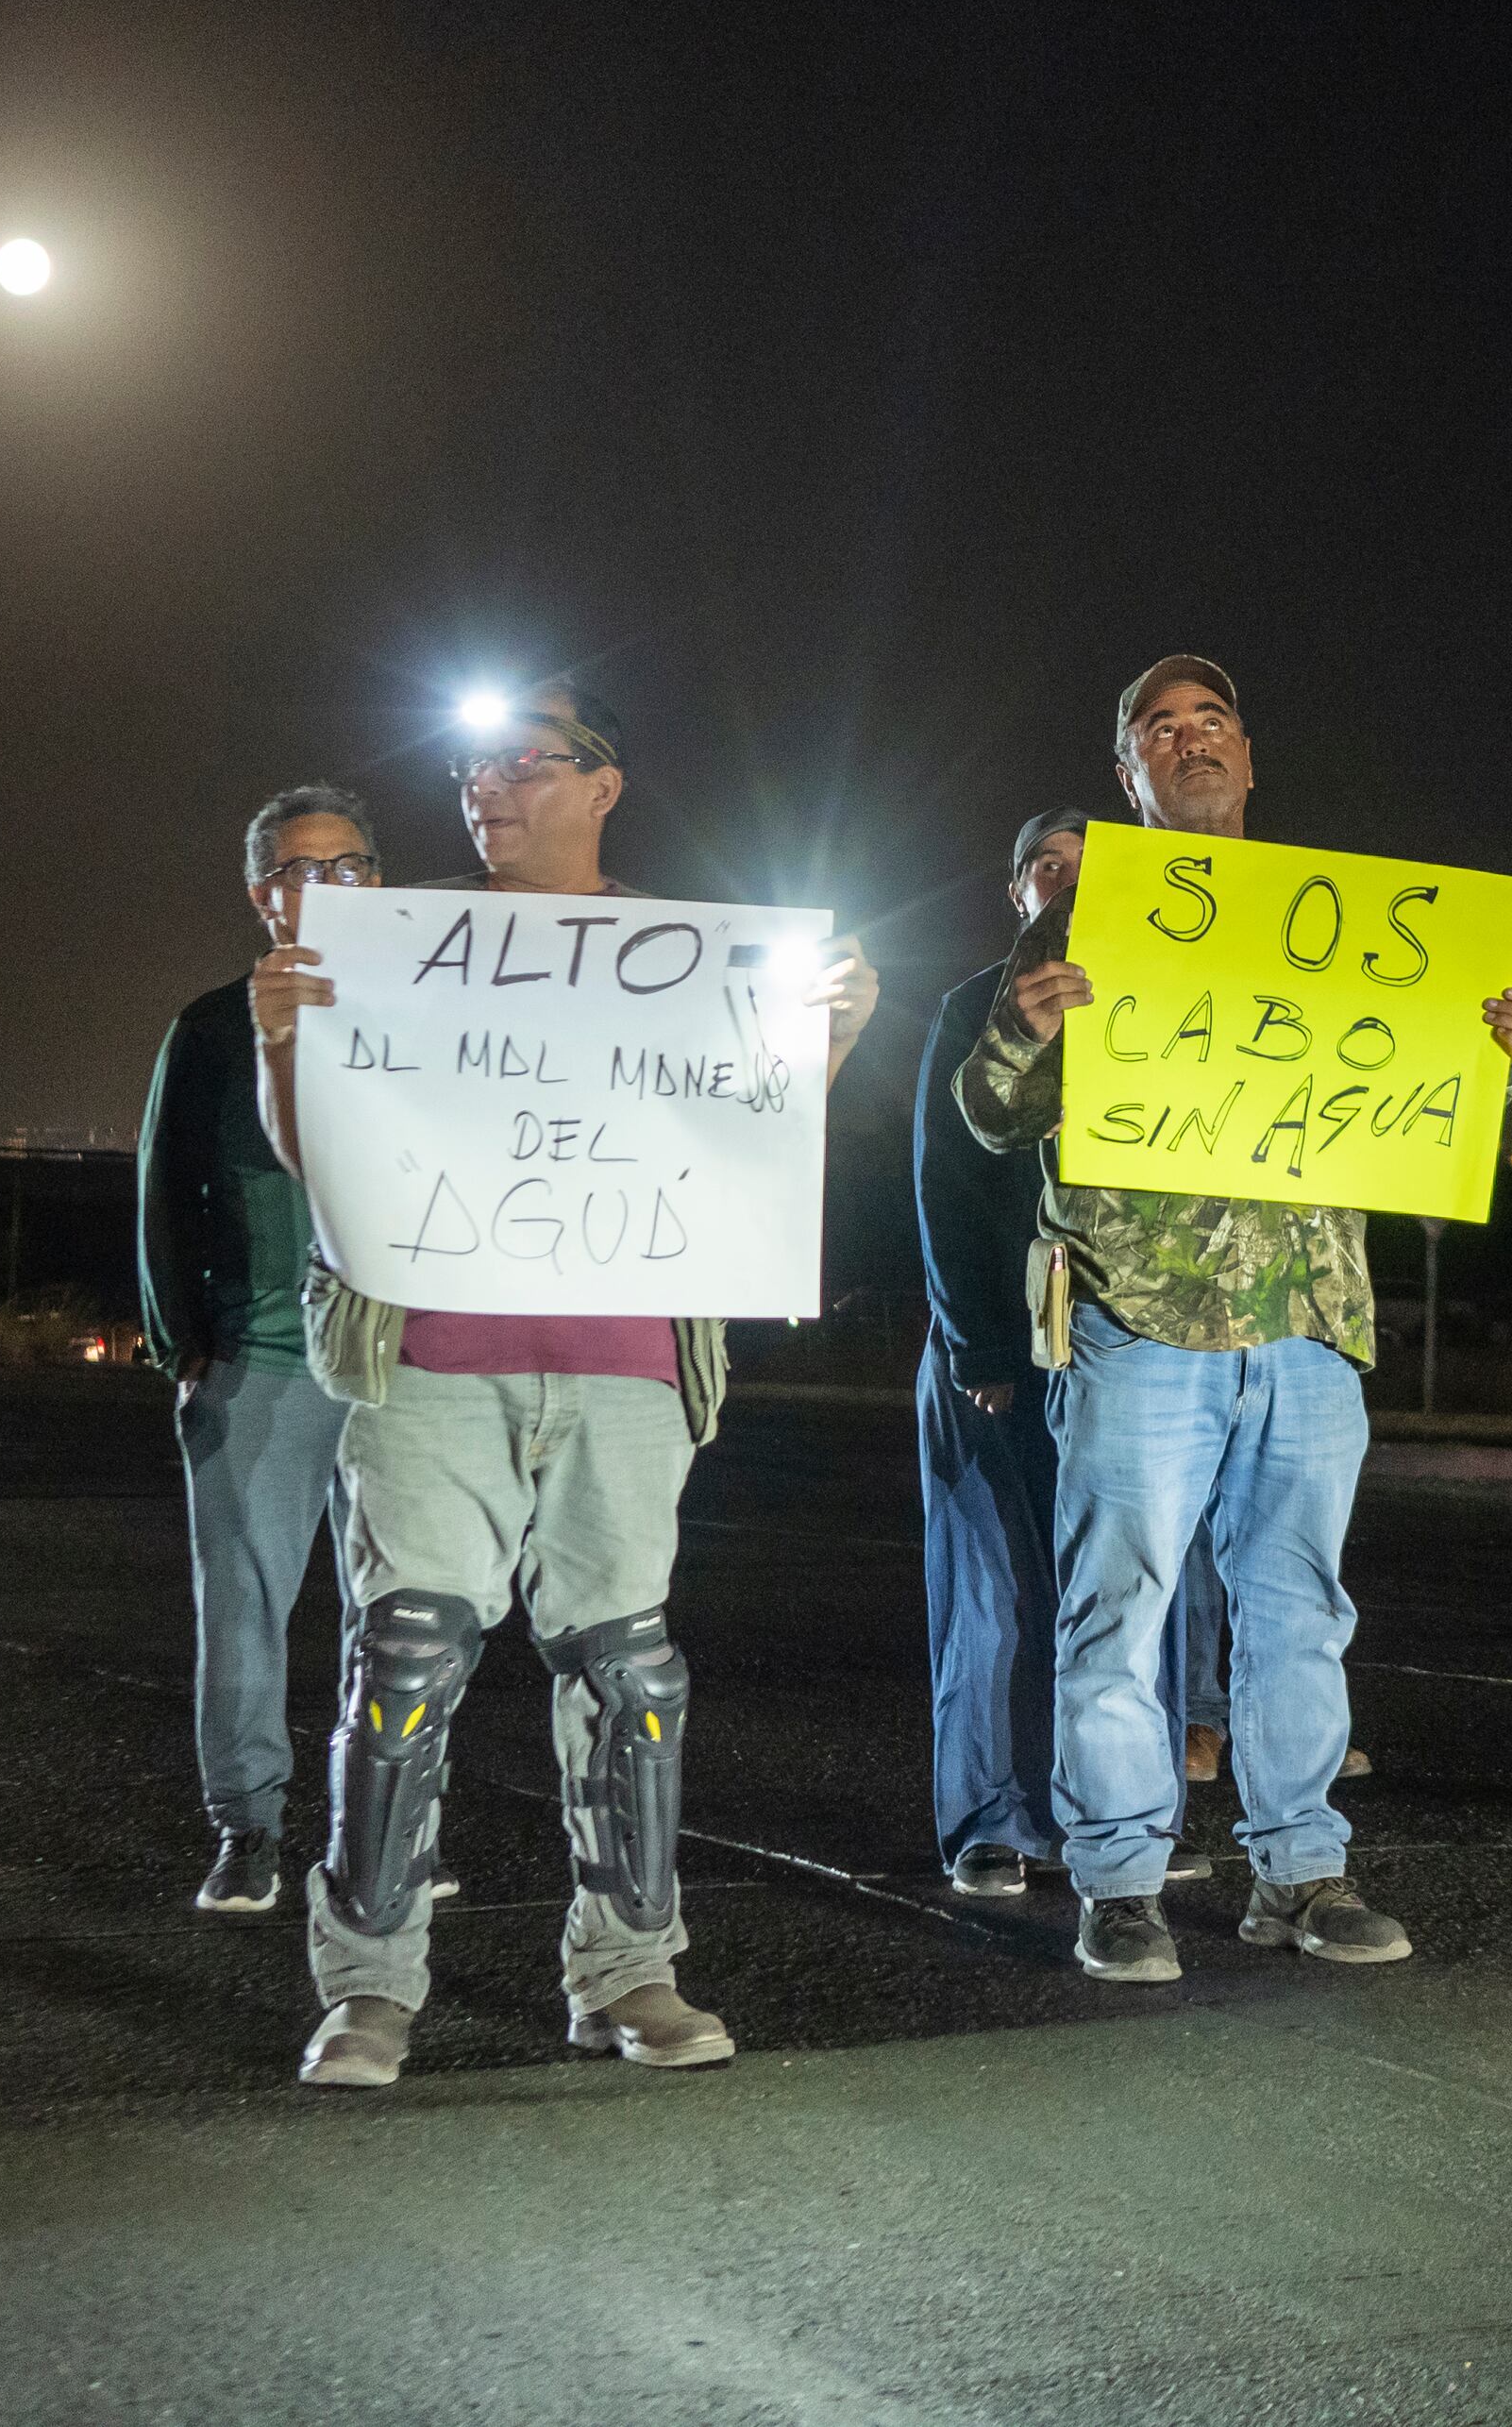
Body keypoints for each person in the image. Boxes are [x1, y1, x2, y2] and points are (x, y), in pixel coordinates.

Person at [260, 681, 881, 2084]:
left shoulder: (691, 955)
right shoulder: (400, 947)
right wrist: (281, 1033)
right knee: (405, 1660)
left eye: (527, 761)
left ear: (604, 784)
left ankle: (629, 1974)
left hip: (625, 1364)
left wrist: (829, 1033)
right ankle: (367, 1987)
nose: (490, 785)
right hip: (430, 1356)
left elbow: (759, 1135)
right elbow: (316, 1161)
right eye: (473, 764)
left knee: (631, 1676)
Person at [955, 654, 1512, 1984]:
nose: (1189, 742)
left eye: (1210, 721)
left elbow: (1424, 1129)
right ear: (1128, 777)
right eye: (1157, 730)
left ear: (1250, 754)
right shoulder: (1078, 923)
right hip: (1140, 1320)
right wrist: (1024, 1032)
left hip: (1304, 1324)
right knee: (1121, 1608)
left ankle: (1302, 1868)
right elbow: (987, 1115)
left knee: (1298, 1613)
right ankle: (1116, 1878)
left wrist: (1496, 1065)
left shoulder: (1349, 921)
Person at [141, 783, 378, 1913]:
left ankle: (383, 1828)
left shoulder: (436, 1015)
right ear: (258, 895)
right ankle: (247, 1827)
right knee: (244, 1607)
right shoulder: (206, 1028)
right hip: (265, 1360)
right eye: (296, 870)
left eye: (346, 867)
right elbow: (161, 1188)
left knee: (407, 1616)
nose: (322, 889)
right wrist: (182, 1340)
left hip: (398, 1365)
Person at [912, 810, 1092, 1895]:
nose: (1066, 882)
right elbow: (947, 1184)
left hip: (1112, 1343)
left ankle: (1108, 1810)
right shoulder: (969, 1007)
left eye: (1088, 868)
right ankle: (989, 1814)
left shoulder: (1168, 1013)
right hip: (996, 1343)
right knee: (989, 1593)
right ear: (1015, 891)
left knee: (1117, 1593)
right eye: (1045, 867)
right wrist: (977, 1340)